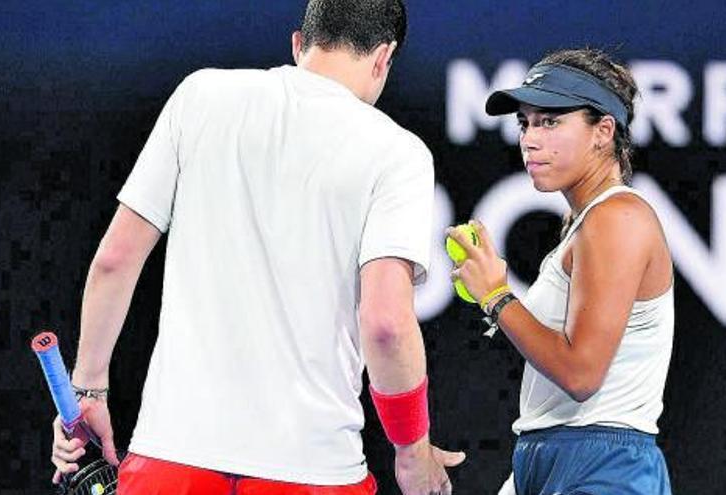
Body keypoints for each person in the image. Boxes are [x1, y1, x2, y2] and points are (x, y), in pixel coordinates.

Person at [49, 1, 465, 493]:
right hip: (311, 470)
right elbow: (387, 324)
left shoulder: (199, 96)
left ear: (298, 44)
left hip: (171, 459)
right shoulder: (397, 153)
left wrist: (89, 389)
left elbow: (116, 260)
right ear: (383, 58)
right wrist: (412, 450)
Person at [448, 48, 674, 494]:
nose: (530, 139)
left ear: (603, 132)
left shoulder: (617, 218)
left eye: (550, 121)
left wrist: (496, 296)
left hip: (606, 467)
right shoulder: (588, 221)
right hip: (550, 456)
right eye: (525, 123)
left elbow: (581, 374)